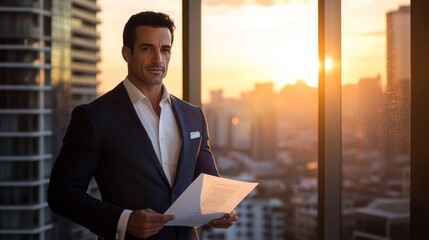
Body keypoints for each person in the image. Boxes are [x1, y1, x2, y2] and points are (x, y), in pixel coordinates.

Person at [47, 11, 237, 240]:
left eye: (165, 49)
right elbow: (62, 194)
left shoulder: (193, 115)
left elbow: (209, 184)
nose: (158, 59)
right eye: (147, 48)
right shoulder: (94, 117)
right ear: (127, 54)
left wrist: (221, 210)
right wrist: (124, 220)